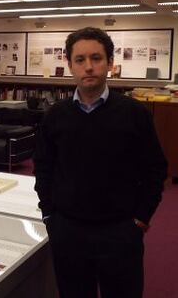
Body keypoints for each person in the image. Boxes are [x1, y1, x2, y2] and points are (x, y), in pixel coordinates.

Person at [33, 27, 167, 298]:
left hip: (120, 233)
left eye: (96, 58)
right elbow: (44, 167)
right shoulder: (55, 115)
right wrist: (49, 215)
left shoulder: (134, 113)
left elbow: (155, 169)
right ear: (69, 65)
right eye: (80, 60)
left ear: (110, 64)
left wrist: (140, 220)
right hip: (68, 232)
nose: (89, 67)